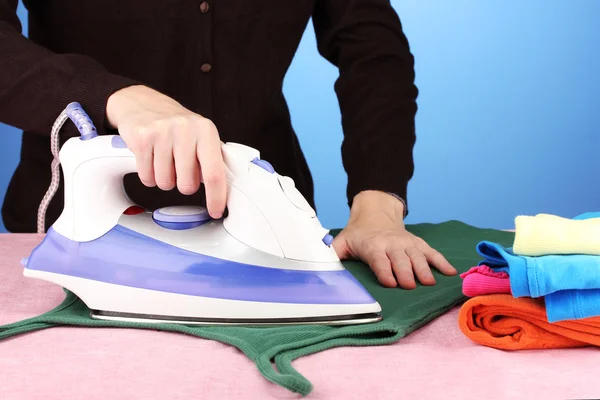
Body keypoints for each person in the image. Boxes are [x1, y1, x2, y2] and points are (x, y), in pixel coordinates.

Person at [0, 0, 456, 289]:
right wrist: (113, 97)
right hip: (67, 218)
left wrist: (377, 208)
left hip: (257, 217)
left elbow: (373, 55)